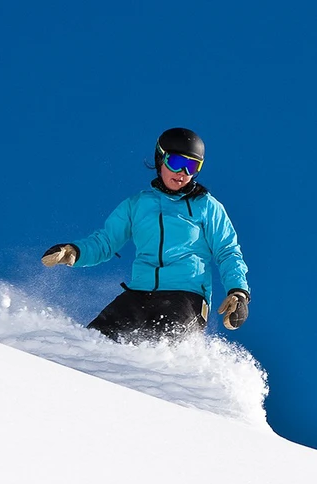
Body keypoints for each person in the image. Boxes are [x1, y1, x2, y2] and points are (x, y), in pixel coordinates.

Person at [42, 127, 250, 342]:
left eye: (192, 166)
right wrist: (75, 252)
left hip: (186, 297)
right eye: (177, 163)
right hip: (138, 294)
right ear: (160, 159)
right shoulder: (137, 205)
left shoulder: (207, 206)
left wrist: (238, 292)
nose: (183, 173)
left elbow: (227, 251)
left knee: (159, 345)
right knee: (92, 344)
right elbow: (106, 241)